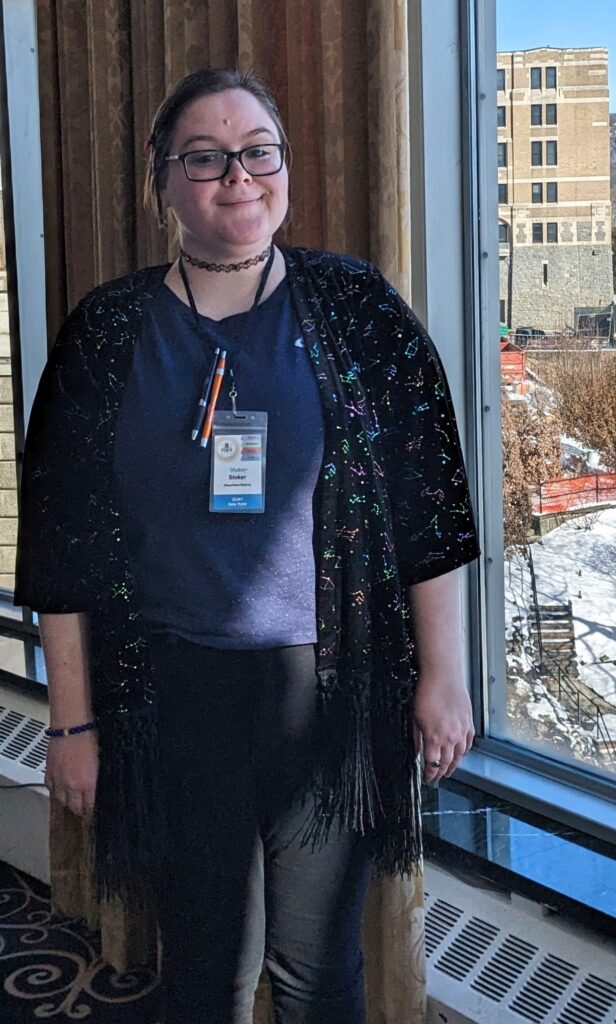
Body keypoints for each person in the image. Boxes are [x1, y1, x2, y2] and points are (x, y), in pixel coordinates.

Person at [14, 68, 479, 1024]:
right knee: (203, 969)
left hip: (332, 690)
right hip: (169, 691)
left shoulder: (355, 307)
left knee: (318, 973)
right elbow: (61, 544)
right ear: (164, 182)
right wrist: (70, 724)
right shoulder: (108, 330)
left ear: (285, 170)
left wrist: (444, 677)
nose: (238, 176)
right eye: (205, 157)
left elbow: (425, 508)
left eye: (257, 151)